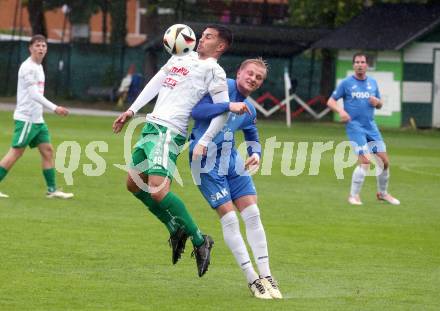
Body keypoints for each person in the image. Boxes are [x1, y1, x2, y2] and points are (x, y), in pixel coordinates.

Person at [112, 25, 248, 277]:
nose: (200, 39)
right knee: (133, 185)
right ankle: (175, 229)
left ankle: (199, 240)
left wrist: (206, 140)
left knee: (158, 191)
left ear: (220, 46)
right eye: (202, 34)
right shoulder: (180, 56)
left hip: (170, 132)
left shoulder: (214, 71)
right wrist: (132, 110)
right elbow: (157, 81)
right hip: (151, 127)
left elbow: (223, 110)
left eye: (208, 37)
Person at [189, 58, 282, 299]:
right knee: (230, 218)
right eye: (249, 73)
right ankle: (253, 279)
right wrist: (228, 106)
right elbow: (196, 111)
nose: (252, 79)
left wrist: (256, 153)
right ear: (239, 73)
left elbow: (251, 131)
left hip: (231, 160)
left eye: (258, 78)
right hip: (205, 161)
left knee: (253, 214)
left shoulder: (249, 108)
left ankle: (267, 275)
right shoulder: (222, 87)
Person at [0, 35, 73, 199]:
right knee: (16, 152)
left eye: (43, 46)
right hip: (26, 119)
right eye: (37, 45)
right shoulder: (28, 68)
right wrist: (55, 108)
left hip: (37, 119)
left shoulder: (38, 67)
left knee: (47, 151)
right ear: (30, 48)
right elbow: (33, 94)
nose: (41, 48)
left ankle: (52, 190)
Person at [327, 52, 400, 206]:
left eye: (362, 62)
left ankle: (383, 193)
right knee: (365, 161)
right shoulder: (346, 83)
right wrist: (341, 111)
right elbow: (330, 101)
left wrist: (377, 103)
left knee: (384, 162)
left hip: (371, 126)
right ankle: (353, 196)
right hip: (355, 127)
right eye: (357, 62)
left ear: (367, 65)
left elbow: (379, 104)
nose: (360, 64)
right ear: (353, 65)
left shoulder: (372, 83)